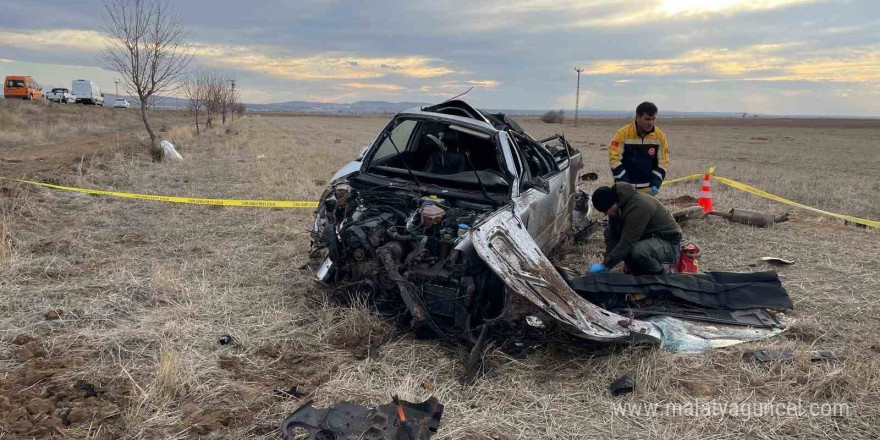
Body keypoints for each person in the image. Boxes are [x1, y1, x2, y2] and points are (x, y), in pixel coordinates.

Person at [588, 183, 681, 275]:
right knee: (609, 231)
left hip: (668, 243)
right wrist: (607, 263)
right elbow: (612, 235)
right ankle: (636, 269)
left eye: (605, 211)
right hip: (648, 238)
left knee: (639, 251)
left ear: (613, 205)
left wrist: (605, 265)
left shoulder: (639, 207)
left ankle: (662, 274)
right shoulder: (618, 207)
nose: (605, 214)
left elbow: (627, 242)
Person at [608, 102, 668, 196]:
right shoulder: (623, 134)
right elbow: (614, 160)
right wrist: (625, 184)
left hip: (648, 191)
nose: (651, 123)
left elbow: (663, 162)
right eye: (647, 119)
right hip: (624, 189)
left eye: (653, 119)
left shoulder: (660, 136)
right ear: (637, 117)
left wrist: (655, 184)